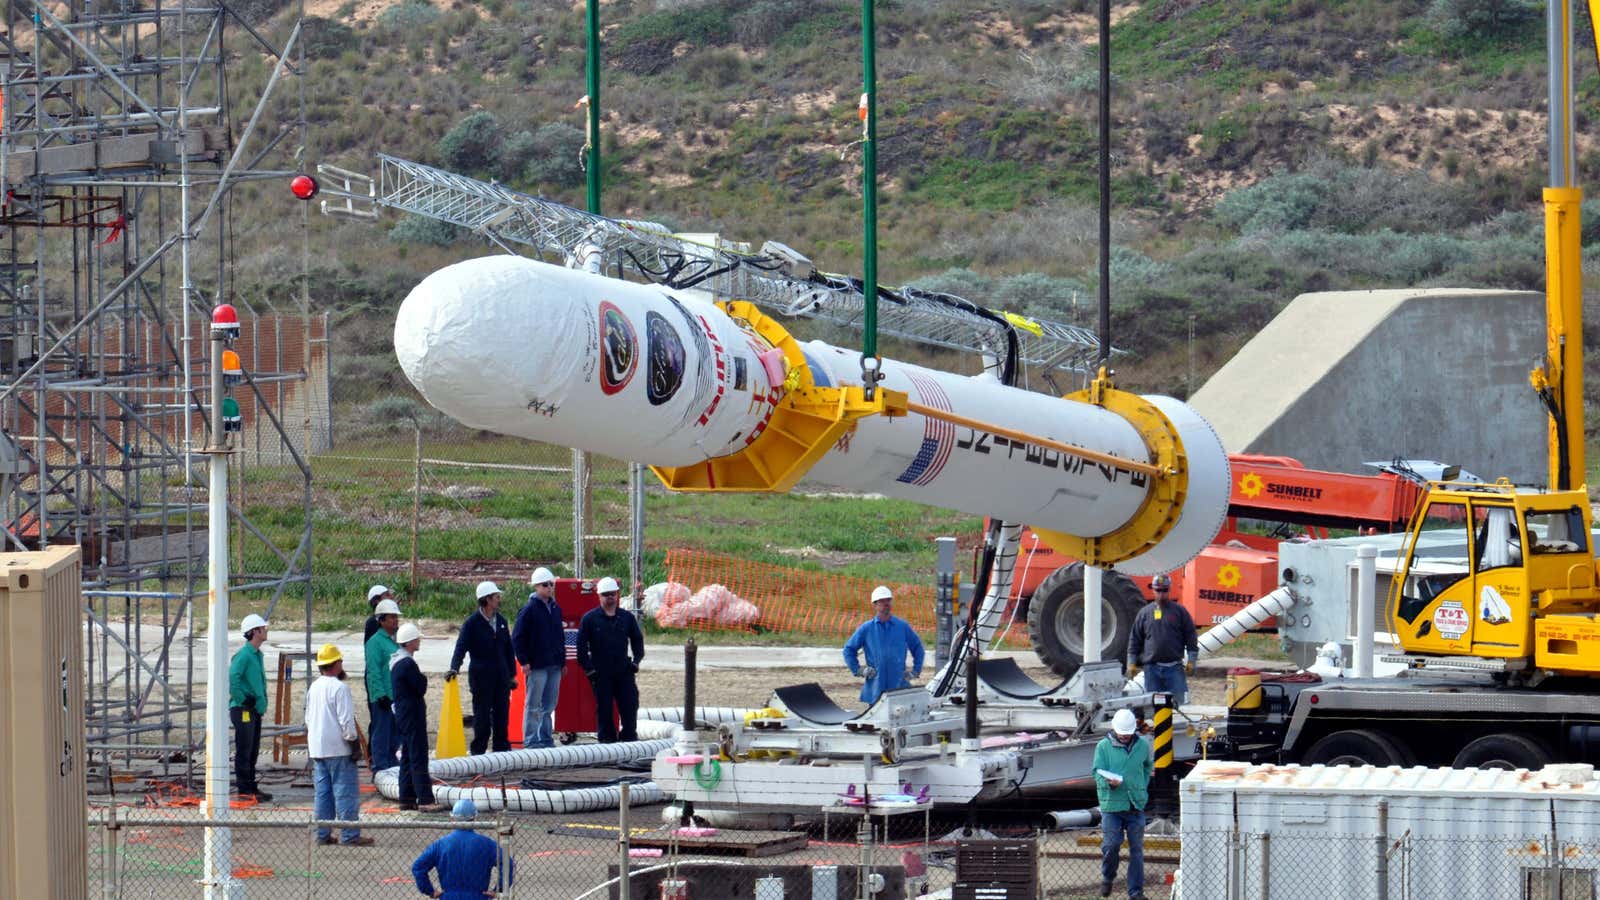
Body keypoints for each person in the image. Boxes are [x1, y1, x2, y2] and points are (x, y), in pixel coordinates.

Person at [306, 643, 373, 846]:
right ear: (336, 664)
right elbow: (347, 722)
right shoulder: (340, 688)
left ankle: (322, 834)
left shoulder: (314, 687)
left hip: (318, 748)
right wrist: (354, 745)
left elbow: (308, 719)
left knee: (323, 795)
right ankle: (349, 835)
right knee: (345, 793)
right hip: (338, 748)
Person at [447, 581, 517, 755]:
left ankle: (501, 750)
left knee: (502, 714)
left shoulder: (501, 621)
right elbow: (461, 647)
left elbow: (508, 649)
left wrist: (512, 675)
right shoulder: (472, 623)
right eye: (496, 597)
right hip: (481, 677)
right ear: (486, 600)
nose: (499, 600)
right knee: (482, 716)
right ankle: (479, 752)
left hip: (501, 677)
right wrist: (454, 668)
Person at [575, 576, 644, 743]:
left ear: (617, 595)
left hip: (623, 671)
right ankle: (607, 743)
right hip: (600, 673)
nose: (610, 597)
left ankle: (629, 740)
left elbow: (637, 639)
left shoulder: (626, 618)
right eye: (606, 594)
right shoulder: (589, 619)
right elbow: (581, 647)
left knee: (629, 706)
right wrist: (589, 670)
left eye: (612, 594)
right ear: (599, 596)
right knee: (604, 710)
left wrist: (636, 661)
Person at [1094, 709, 1152, 899]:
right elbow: (1097, 772)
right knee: (1111, 846)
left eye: (1127, 733)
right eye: (1122, 733)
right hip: (1112, 806)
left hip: (1135, 805)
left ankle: (1136, 893)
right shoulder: (1103, 747)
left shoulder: (1142, 746)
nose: (1125, 737)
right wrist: (1108, 783)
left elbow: (1147, 766)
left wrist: (1141, 785)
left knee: (1137, 851)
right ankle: (1108, 877)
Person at [391, 623, 446, 812]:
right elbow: (421, 686)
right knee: (418, 756)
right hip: (412, 714)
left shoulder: (397, 661)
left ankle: (406, 797)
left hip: (403, 714)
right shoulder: (407, 664)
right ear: (410, 642)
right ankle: (425, 799)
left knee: (407, 755)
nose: (419, 641)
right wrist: (422, 679)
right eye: (417, 639)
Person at [411, 799, 514, 899]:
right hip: (478, 896)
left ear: (453, 819)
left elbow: (418, 867)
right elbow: (507, 863)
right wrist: (497, 889)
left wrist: (430, 891)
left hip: (450, 896)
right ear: (474, 818)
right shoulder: (487, 844)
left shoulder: (441, 845)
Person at [842, 586, 925, 704]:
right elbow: (848, 650)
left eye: (888, 600)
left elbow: (918, 648)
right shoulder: (867, 628)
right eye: (882, 601)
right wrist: (858, 670)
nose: (886, 603)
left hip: (898, 687)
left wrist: (916, 671)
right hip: (876, 688)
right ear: (874, 605)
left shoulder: (902, 627)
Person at [511, 566, 564, 749]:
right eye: (545, 585)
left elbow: (559, 637)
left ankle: (545, 739)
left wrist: (561, 661)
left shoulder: (556, 609)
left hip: (553, 664)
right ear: (536, 587)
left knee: (548, 706)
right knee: (533, 705)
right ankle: (531, 740)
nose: (549, 587)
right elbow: (517, 637)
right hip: (537, 665)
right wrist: (524, 661)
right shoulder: (528, 610)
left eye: (551, 584)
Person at [1126, 573, 1199, 705]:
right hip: (1152, 669)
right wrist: (1131, 663)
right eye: (1158, 590)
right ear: (1153, 590)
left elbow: (1191, 637)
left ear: (1169, 589)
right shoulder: (1145, 613)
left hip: (1174, 668)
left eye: (1164, 590)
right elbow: (1135, 639)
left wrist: (1192, 661)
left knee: (1177, 704)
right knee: (1155, 705)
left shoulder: (1179, 612)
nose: (1161, 594)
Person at [229, 613, 272, 802]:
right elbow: (233, 678)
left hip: (253, 709)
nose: (266, 630)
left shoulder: (255, 654)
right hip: (244, 710)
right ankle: (244, 789)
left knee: (252, 749)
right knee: (245, 749)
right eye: (263, 628)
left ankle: (250, 787)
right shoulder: (245, 655)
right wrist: (242, 699)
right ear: (255, 631)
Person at [364, 598, 403, 772]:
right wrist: (380, 695)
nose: (396, 621)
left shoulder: (392, 641)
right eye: (392, 617)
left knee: (394, 736)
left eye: (396, 617)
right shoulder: (375, 642)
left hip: (394, 696)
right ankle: (380, 769)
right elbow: (373, 671)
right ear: (381, 620)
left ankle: (391, 765)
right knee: (381, 735)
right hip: (383, 698)